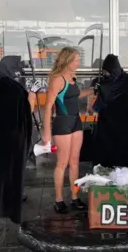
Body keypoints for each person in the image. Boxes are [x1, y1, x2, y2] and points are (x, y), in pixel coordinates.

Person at [0, 55, 42, 224]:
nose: (20, 70)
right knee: (10, 170)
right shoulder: (13, 88)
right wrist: (32, 93)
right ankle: (8, 203)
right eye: (18, 67)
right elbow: (26, 111)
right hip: (12, 137)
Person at [43, 47, 94, 213]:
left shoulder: (73, 76)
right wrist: (47, 132)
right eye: (77, 60)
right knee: (62, 163)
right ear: (68, 61)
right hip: (63, 123)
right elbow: (49, 105)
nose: (79, 63)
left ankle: (74, 197)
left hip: (76, 122)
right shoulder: (57, 79)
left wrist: (93, 90)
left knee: (74, 162)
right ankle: (58, 200)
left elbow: (75, 95)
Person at [91, 54, 128, 168]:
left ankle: (113, 166)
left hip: (118, 120)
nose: (106, 74)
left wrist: (100, 87)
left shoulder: (124, 80)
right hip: (111, 121)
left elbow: (107, 93)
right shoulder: (124, 79)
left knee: (116, 146)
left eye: (107, 71)